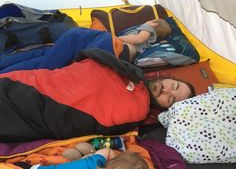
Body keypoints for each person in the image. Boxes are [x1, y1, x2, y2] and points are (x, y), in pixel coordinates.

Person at [0, 49, 195, 143]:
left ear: (162, 108)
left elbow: (81, 127)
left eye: (170, 99)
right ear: (169, 77)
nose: (167, 91)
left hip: (28, 107)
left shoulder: (137, 111)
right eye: (174, 86)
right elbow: (89, 56)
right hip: (26, 82)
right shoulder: (125, 68)